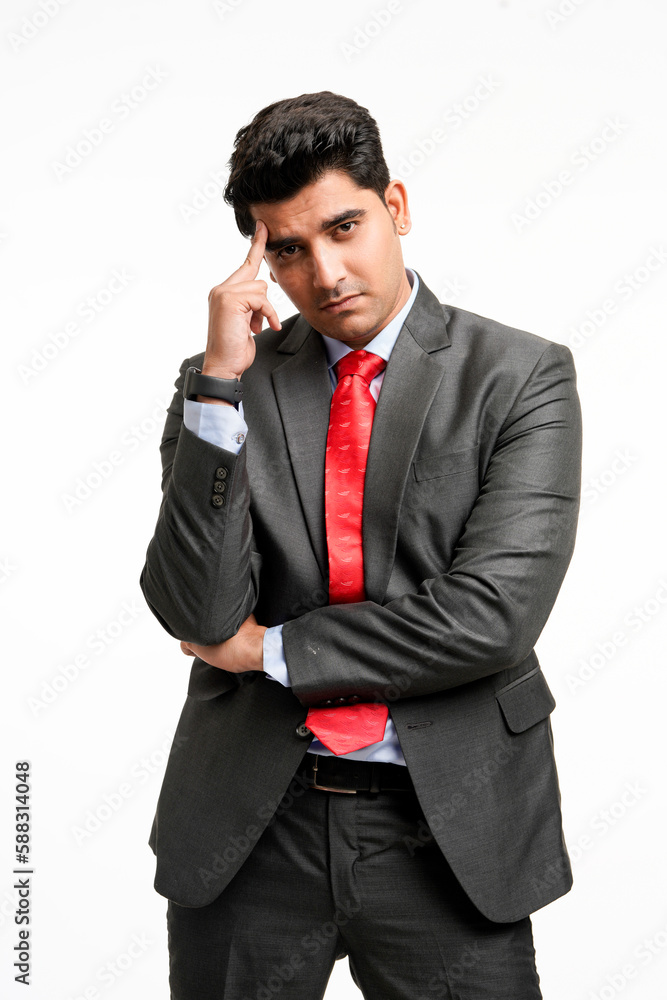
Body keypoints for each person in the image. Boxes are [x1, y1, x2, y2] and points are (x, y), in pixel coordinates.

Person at [140, 90, 582, 999]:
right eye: (290, 250)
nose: (327, 271)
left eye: (345, 227)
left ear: (398, 208)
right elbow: (195, 609)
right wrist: (221, 385)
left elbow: (489, 616)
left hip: (447, 824)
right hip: (253, 825)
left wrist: (273, 649)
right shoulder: (224, 385)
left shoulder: (520, 376)